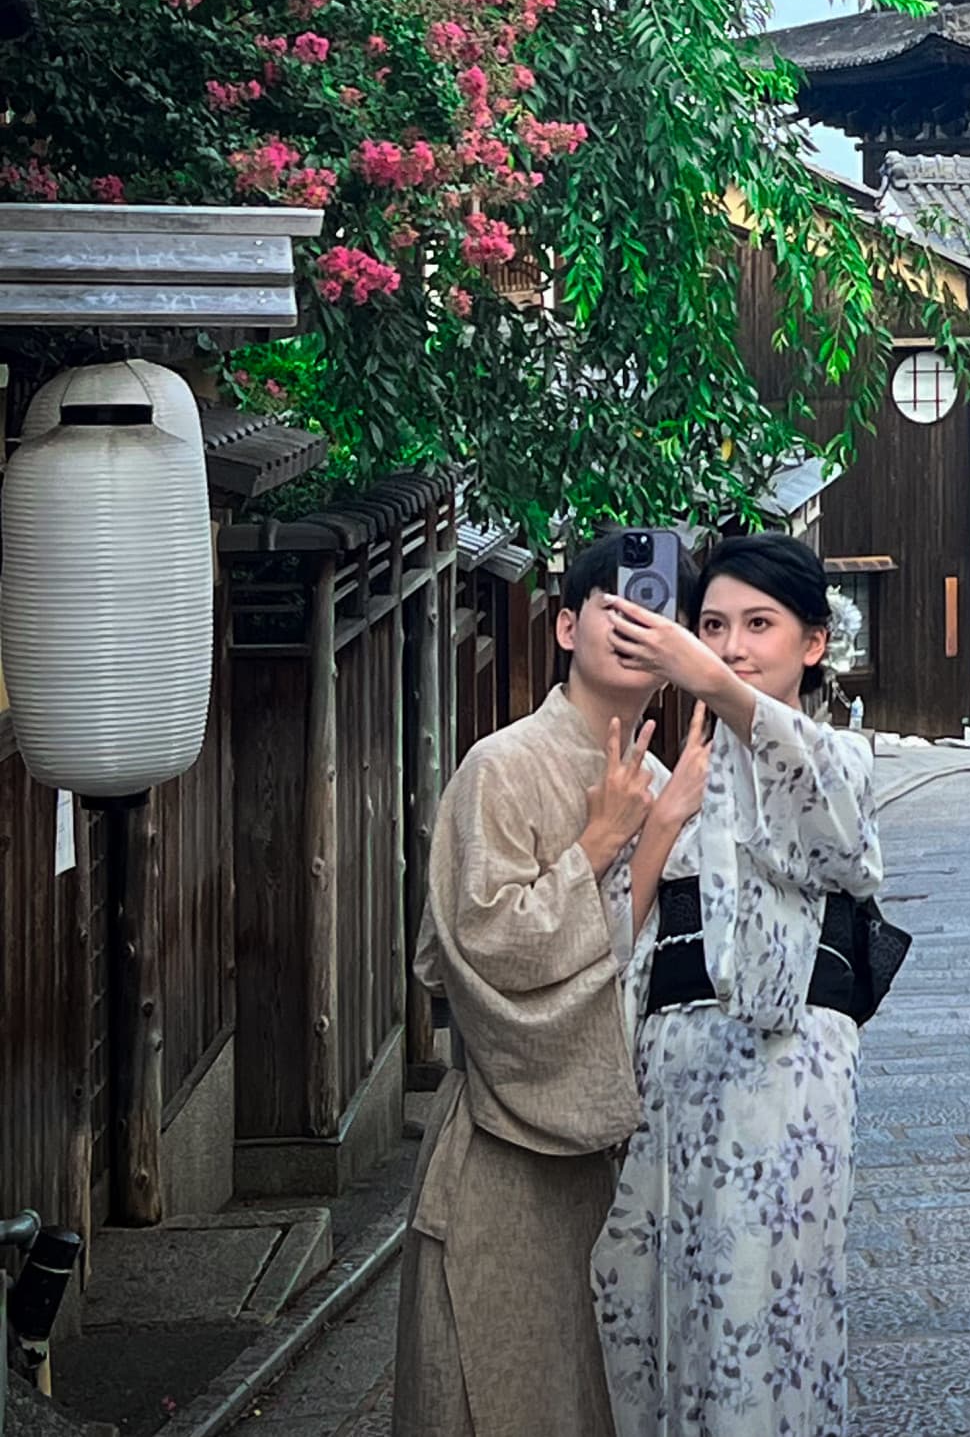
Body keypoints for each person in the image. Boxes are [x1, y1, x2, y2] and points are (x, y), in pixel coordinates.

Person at [392, 533, 709, 1437]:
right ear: (567, 625)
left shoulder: (668, 783)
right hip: (508, 1167)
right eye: (617, 601)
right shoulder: (501, 765)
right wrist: (606, 844)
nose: (638, 620)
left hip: (629, 1176)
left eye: (661, 608)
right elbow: (478, 957)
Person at [590, 532, 883, 1437]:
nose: (732, 643)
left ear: (814, 642)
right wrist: (653, 818)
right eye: (713, 624)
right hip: (664, 1068)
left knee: (760, 1310)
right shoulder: (649, 773)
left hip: (782, 1071)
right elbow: (604, 936)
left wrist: (713, 684)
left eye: (760, 623)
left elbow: (841, 842)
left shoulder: (835, 756)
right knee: (637, 1295)